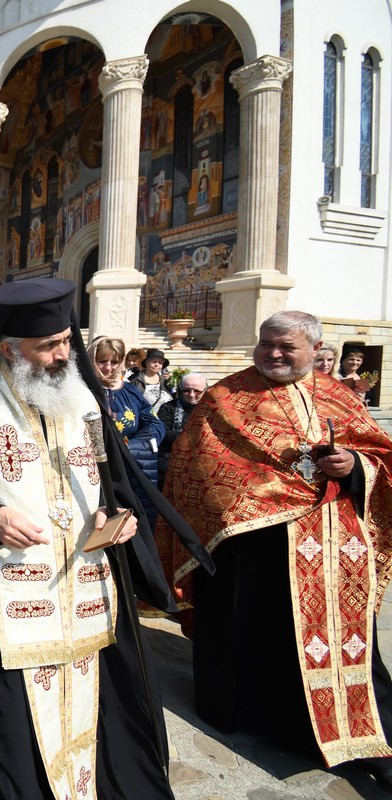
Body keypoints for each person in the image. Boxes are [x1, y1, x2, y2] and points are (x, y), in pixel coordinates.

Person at [0, 278, 205, 800]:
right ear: (10, 349)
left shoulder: (86, 402)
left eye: (66, 340)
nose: (63, 354)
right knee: (14, 712)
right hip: (11, 592)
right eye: (48, 346)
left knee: (104, 695)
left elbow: (113, 476)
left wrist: (119, 515)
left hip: (90, 583)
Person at [158, 311, 392, 787]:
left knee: (345, 641)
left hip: (333, 546)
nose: (274, 353)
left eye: (286, 346)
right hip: (251, 550)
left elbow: (380, 455)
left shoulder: (338, 395)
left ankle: (352, 727)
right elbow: (193, 468)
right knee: (257, 638)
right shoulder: (225, 397)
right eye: (267, 344)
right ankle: (265, 721)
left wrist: (353, 466)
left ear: (315, 348)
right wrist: (246, 503)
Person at [92, 337, 166, 529]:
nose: (108, 367)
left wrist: (132, 447)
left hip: (127, 469)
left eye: (114, 362)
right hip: (94, 471)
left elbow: (154, 424)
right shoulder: (83, 391)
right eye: (102, 361)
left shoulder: (130, 392)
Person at [156, 373, 206, 489]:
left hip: (202, 462)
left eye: (197, 391)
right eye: (186, 391)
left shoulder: (212, 409)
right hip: (172, 461)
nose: (192, 395)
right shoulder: (168, 408)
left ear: (205, 390)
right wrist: (193, 437)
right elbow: (163, 433)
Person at [128, 348, 171, 413]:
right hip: (143, 417)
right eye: (154, 362)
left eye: (160, 363)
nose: (157, 365)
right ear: (146, 363)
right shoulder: (135, 379)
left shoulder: (164, 380)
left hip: (163, 418)